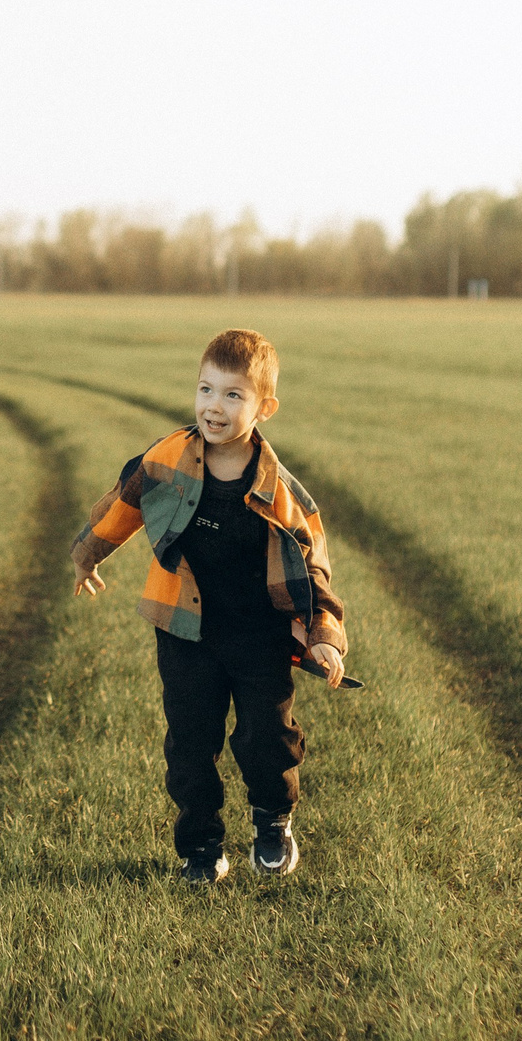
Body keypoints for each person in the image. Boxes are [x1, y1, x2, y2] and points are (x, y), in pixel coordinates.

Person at [71, 328, 349, 884]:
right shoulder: (167, 458)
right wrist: (87, 555)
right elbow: (123, 502)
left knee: (265, 738)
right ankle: (201, 846)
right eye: (205, 389)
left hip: (260, 637)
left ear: (263, 408)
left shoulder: (282, 491)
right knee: (191, 742)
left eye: (232, 395)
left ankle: (273, 819)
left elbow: (312, 565)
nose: (213, 407)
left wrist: (323, 633)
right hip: (183, 631)